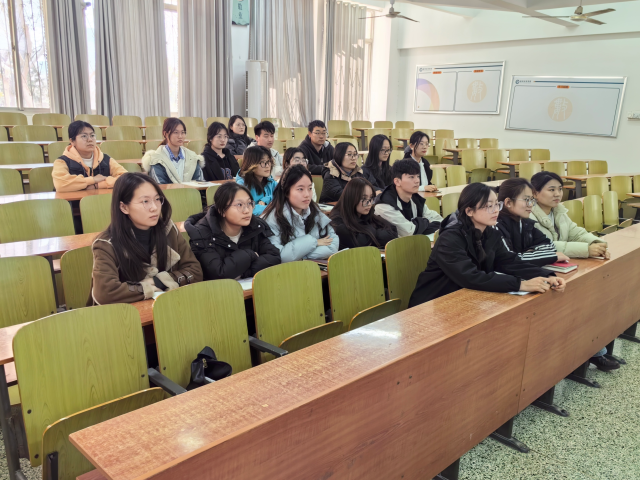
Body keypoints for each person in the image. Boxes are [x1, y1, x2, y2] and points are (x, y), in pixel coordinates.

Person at [408, 183, 566, 309]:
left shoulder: (490, 233)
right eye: (489, 206)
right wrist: (520, 284)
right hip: (433, 303)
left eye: (496, 205)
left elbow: (509, 262)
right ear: (469, 211)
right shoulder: (449, 239)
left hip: (466, 299)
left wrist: (547, 276)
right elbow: (470, 276)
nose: (496, 211)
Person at [90, 173, 203, 305]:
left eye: (157, 199)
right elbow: (105, 293)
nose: (154, 207)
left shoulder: (168, 229)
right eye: (145, 201)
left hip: (166, 307)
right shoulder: (106, 244)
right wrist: (145, 289)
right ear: (124, 207)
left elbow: (195, 271)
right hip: (126, 315)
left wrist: (156, 281)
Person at [184, 182, 281, 280]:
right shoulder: (202, 233)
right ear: (222, 210)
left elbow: (274, 257)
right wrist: (249, 255)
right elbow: (218, 273)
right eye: (239, 205)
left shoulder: (255, 226)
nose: (247, 210)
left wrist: (243, 272)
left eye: (249, 203)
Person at [263, 165, 339, 262]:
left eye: (310, 188)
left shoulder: (314, 209)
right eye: (300, 189)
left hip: (312, 267)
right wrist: (314, 242)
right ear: (286, 191)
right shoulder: (272, 218)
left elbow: (333, 245)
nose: (307, 195)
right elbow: (280, 256)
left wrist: (301, 255)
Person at [529, 172, 609, 259]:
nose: (557, 194)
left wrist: (596, 244)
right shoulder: (527, 216)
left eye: (560, 189)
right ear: (534, 193)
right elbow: (543, 246)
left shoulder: (559, 211)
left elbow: (576, 234)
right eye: (552, 190)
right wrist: (586, 250)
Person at [496, 177, 565, 266]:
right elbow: (510, 260)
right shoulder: (496, 226)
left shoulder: (525, 223)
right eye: (526, 200)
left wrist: (529, 253)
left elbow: (550, 246)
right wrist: (547, 256)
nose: (531, 204)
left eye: (532, 200)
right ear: (508, 202)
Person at [52, 121, 128, 192]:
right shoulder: (62, 161)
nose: (90, 140)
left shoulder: (106, 159)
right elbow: (60, 184)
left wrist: (97, 185)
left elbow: (126, 179)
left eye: (92, 135)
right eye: (84, 136)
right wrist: (93, 179)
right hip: (75, 202)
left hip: (103, 200)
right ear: (72, 141)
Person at [374, 159, 443, 237]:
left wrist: (419, 224)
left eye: (418, 176)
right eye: (411, 177)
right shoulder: (384, 205)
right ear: (397, 181)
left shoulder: (415, 198)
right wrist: (426, 221)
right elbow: (409, 232)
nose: (417, 181)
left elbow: (439, 220)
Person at [330, 177, 397, 250]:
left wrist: (370, 233)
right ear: (351, 198)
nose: (369, 203)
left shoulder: (366, 214)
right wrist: (373, 230)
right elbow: (361, 243)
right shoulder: (337, 222)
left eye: (371, 198)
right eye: (364, 199)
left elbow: (393, 231)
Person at [142, 118, 204, 184]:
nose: (180, 136)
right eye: (176, 132)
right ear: (165, 134)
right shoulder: (156, 159)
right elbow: (160, 187)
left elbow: (199, 184)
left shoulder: (193, 157)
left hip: (191, 191)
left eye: (183, 132)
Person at [235, 146, 277, 216]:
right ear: (251, 164)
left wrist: (266, 199)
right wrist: (270, 207)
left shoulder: (270, 182)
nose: (267, 166)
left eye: (269, 161)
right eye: (262, 162)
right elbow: (245, 208)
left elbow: (282, 196)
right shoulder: (242, 186)